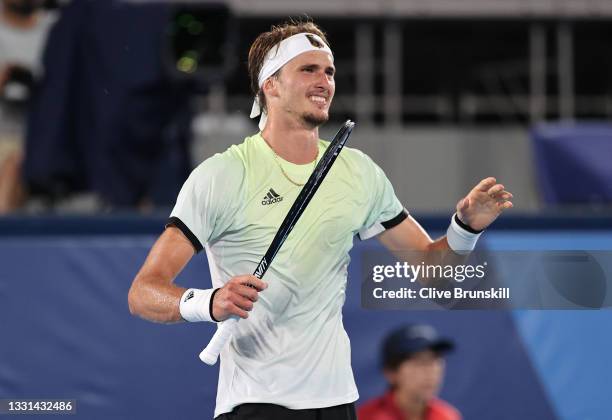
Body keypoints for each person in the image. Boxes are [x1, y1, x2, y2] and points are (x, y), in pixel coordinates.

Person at [128, 19, 513, 420]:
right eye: (307, 69)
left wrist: (465, 228)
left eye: (328, 71)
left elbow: (437, 278)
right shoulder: (220, 176)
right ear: (270, 85)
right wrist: (209, 302)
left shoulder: (360, 173)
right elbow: (143, 292)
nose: (324, 81)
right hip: (257, 405)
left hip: (336, 404)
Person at [359, 324, 461, 420]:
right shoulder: (365, 417)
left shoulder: (447, 416)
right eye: (420, 361)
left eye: (436, 359)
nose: (431, 371)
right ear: (391, 373)